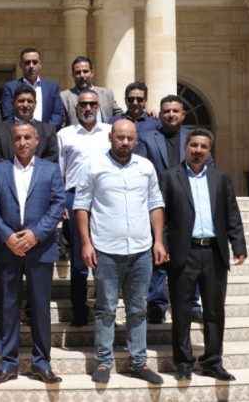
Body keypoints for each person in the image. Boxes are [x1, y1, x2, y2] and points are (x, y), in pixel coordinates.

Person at [73, 119, 167, 385]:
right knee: (105, 310)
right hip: (106, 250)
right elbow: (81, 206)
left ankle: (139, 362)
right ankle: (104, 362)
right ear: (110, 137)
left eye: (129, 138)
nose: (125, 142)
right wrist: (86, 243)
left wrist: (158, 241)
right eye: (120, 137)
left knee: (138, 309)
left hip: (141, 250)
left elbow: (155, 203)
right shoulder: (93, 166)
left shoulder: (146, 167)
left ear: (135, 140)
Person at [159, 128, 247, 382]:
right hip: (183, 253)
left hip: (213, 253)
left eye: (203, 147)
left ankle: (212, 362)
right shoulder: (169, 177)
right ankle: (183, 362)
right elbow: (161, 217)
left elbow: (232, 213)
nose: (198, 150)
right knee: (181, 311)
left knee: (214, 311)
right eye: (194, 145)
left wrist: (238, 244)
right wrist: (162, 244)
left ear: (209, 151)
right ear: (186, 147)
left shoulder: (221, 178)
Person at [0, 121, 65, 384]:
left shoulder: (51, 170)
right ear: (12, 141)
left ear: (37, 140)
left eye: (27, 137)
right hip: (8, 248)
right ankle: (8, 363)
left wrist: (35, 234)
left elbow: (57, 205)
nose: (22, 142)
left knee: (40, 308)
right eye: (18, 138)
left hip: (40, 249)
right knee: (8, 307)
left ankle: (42, 363)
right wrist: (7, 236)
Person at [135, 94, 209, 324]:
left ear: (183, 114)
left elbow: (209, 168)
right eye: (166, 111)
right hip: (157, 204)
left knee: (190, 257)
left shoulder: (194, 139)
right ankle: (157, 304)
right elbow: (140, 170)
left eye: (175, 111)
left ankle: (192, 304)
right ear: (160, 114)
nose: (171, 115)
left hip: (189, 205)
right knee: (158, 255)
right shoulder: (147, 138)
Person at [56, 88, 111, 327]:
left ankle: (104, 309)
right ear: (76, 107)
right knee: (79, 261)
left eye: (92, 104)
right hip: (74, 197)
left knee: (104, 258)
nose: (88, 108)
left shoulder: (109, 132)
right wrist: (60, 201)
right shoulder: (65, 134)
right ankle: (79, 310)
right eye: (83, 104)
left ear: (98, 107)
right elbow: (59, 170)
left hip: (104, 199)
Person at [0, 85, 58, 165]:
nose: (25, 105)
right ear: (13, 103)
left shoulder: (49, 131)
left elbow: (52, 158)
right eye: (21, 101)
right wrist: (17, 169)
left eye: (30, 101)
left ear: (35, 104)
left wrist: (31, 170)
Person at [0, 48, 65, 129]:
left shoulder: (52, 87)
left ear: (40, 64)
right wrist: (24, 131)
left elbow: (58, 114)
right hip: (19, 134)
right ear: (21, 65)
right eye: (27, 62)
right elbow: (8, 114)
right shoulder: (10, 87)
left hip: (46, 134)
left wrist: (45, 131)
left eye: (34, 62)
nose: (31, 66)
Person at [60, 56, 123, 125]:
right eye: (78, 72)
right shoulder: (64, 97)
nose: (82, 75)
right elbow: (61, 122)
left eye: (85, 71)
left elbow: (119, 115)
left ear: (92, 73)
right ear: (73, 75)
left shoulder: (106, 94)